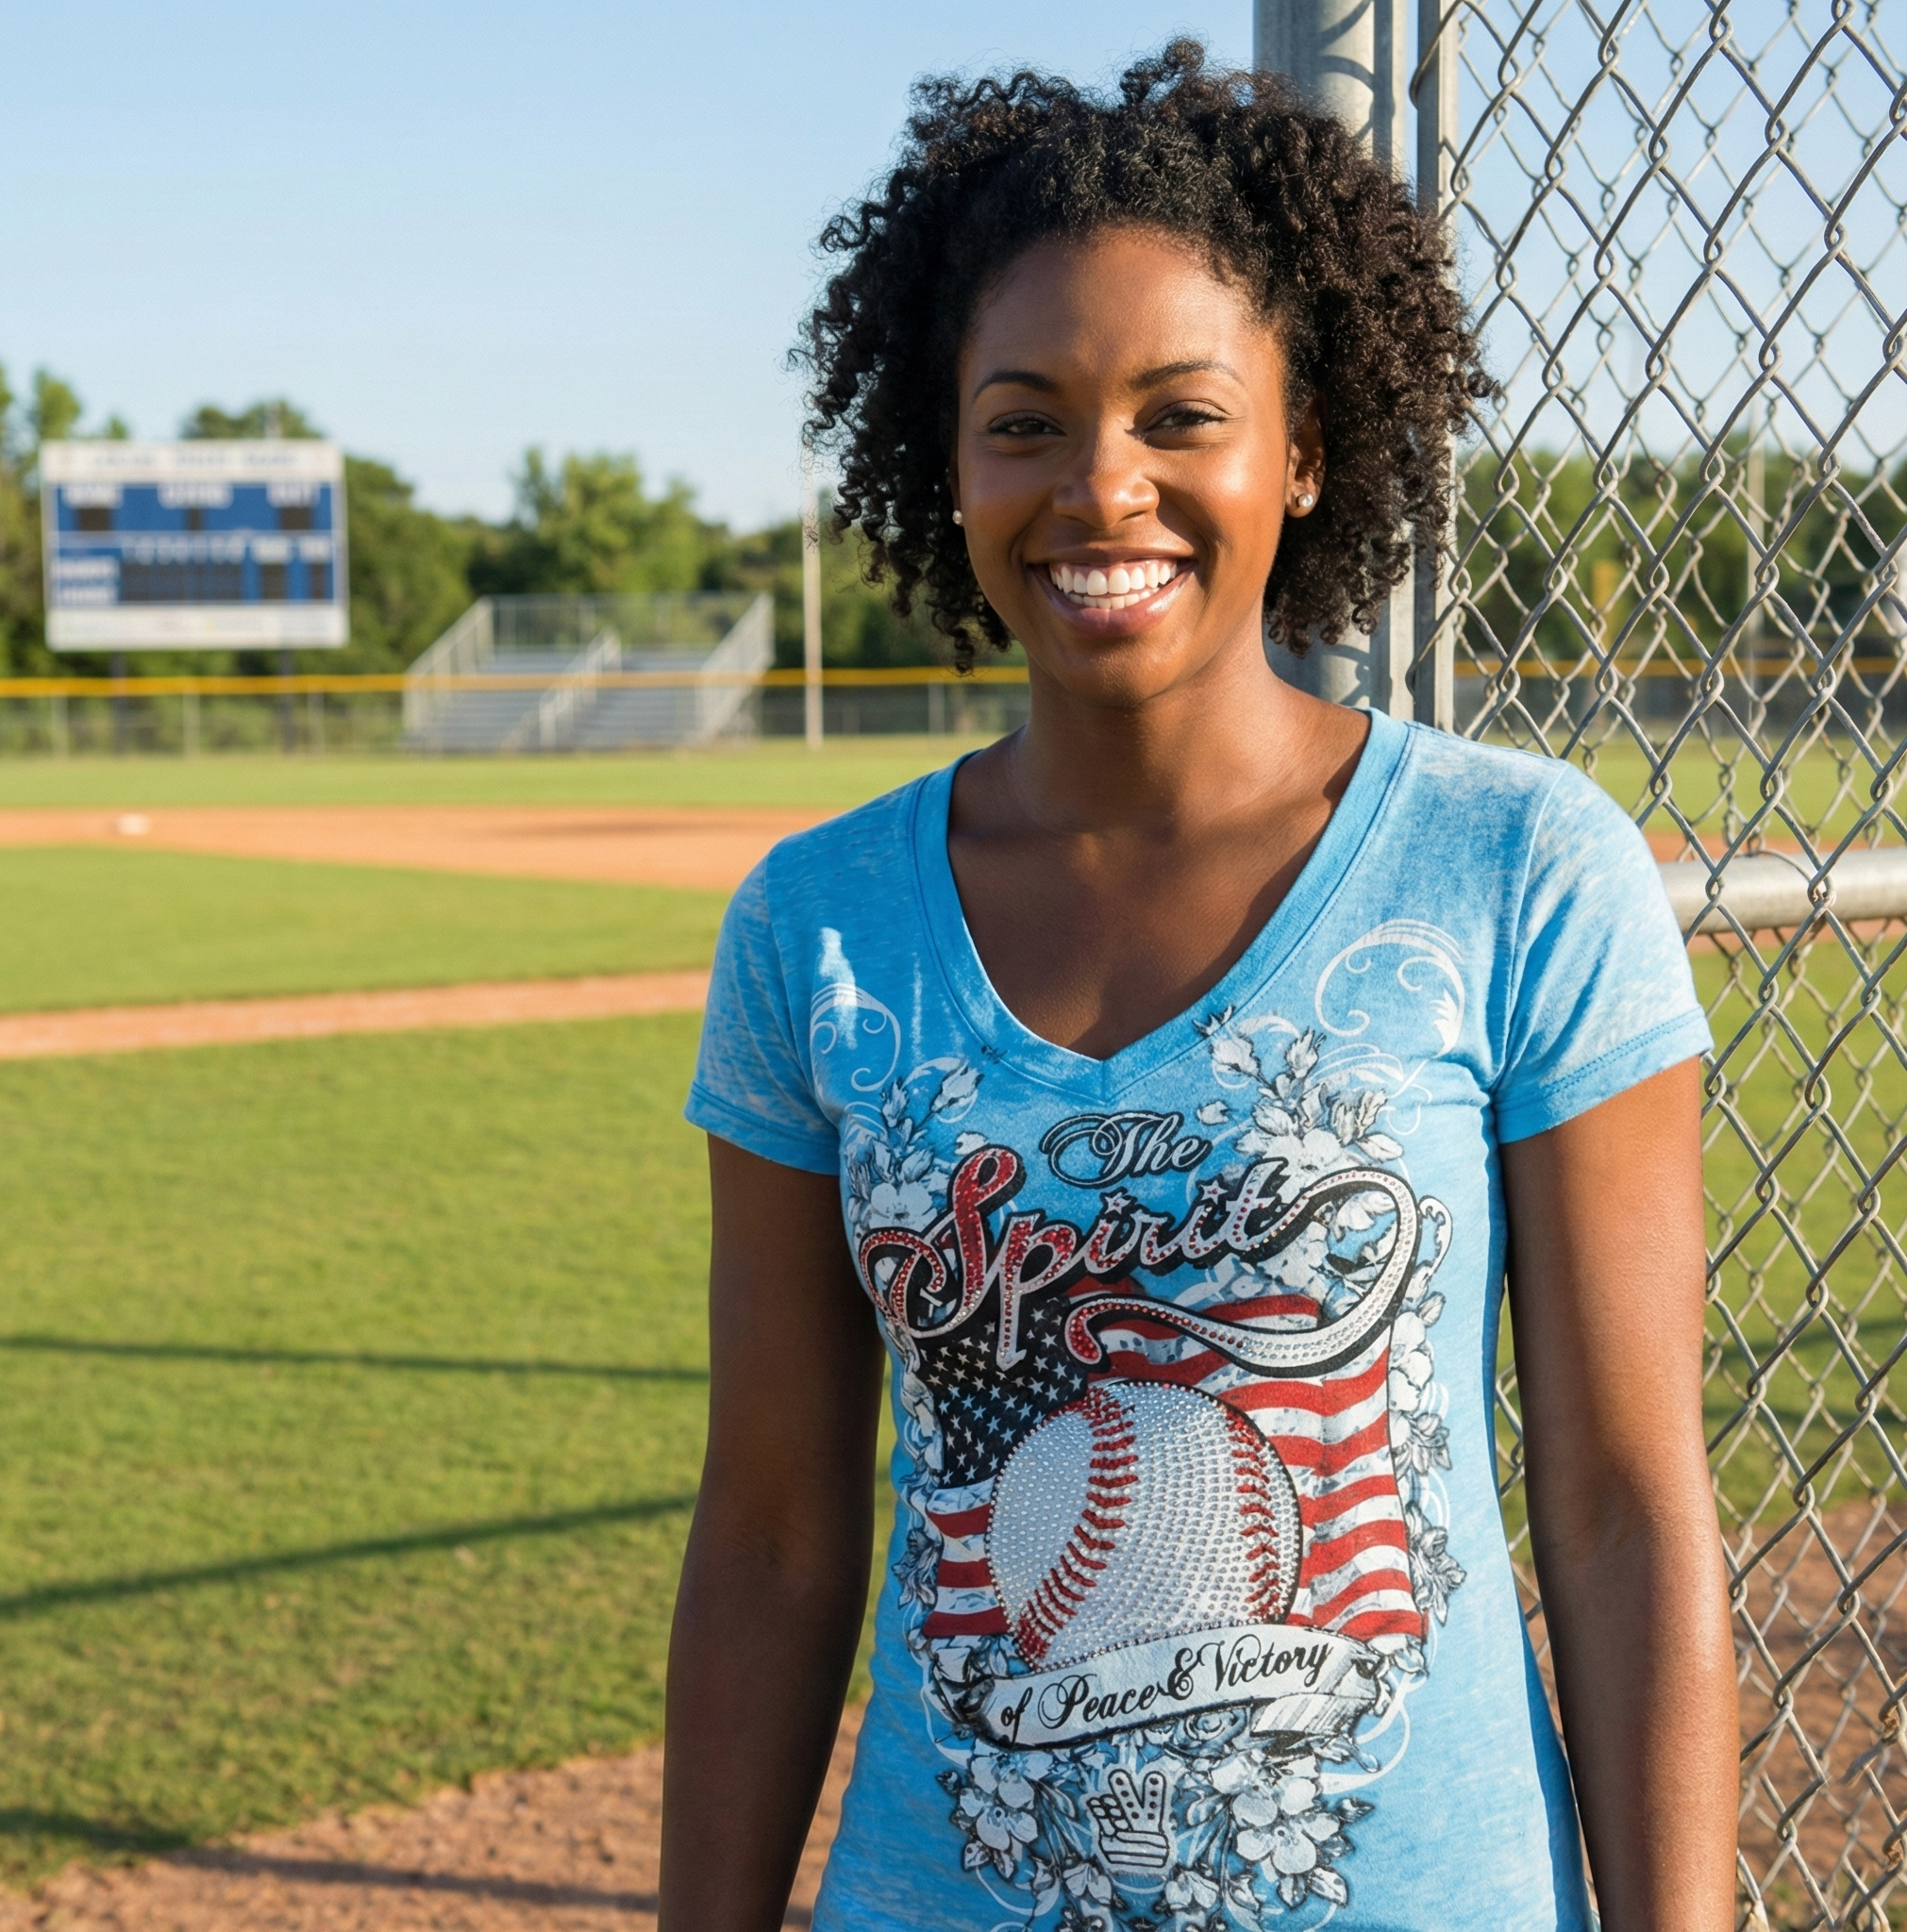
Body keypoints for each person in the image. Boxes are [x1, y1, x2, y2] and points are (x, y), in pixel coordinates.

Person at [663, 42, 1735, 1932]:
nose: (1102, 486)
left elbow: (1627, 1513)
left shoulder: (1514, 866)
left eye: (1179, 414)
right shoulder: (814, 926)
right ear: (949, 462)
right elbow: (766, 1536)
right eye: (1025, 420)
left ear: (1302, 449)